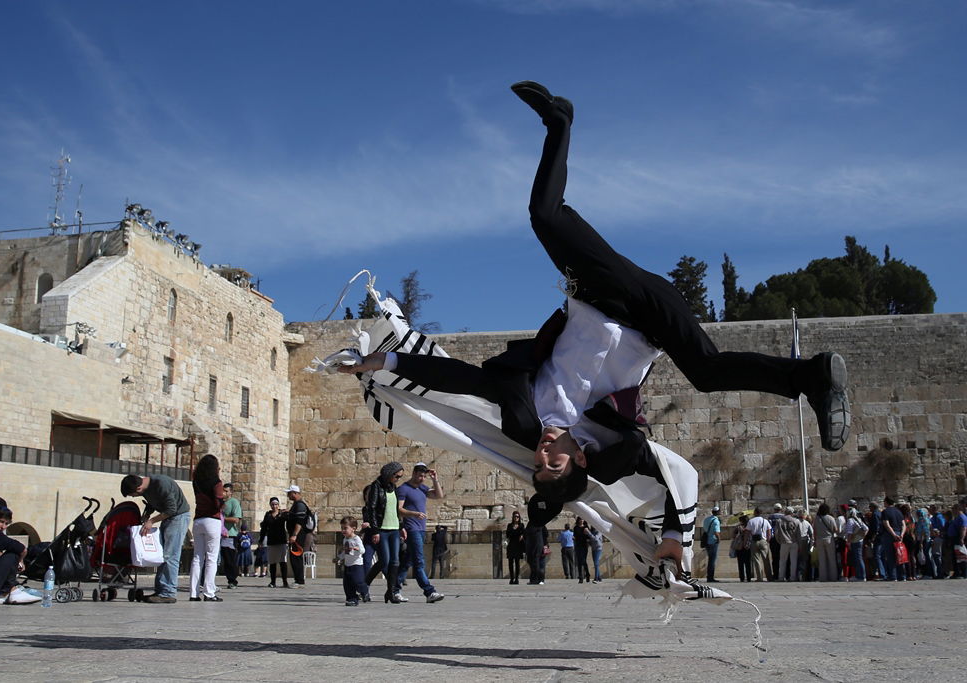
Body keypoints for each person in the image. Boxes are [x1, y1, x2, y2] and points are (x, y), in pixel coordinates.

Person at [341, 80, 851, 571]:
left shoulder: (523, 415)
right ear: (577, 463)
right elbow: (667, 477)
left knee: (544, 215)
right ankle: (813, 377)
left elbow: (461, 380)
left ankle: (558, 122)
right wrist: (673, 540)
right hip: (650, 316)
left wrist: (383, 361)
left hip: (603, 293)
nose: (542, 454)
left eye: (537, 464)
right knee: (708, 371)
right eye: (553, 464)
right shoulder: (614, 451)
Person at [120, 473, 191, 604]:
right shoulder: (146, 488)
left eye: (133, 495)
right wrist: (146, 514)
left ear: (138, 489)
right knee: (162, 555)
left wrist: (151, 521)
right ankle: (160, 591)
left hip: (178, 517)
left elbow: (171, 509)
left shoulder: (161, 484)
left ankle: (168, 592)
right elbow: (153, 503)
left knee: (170, 556)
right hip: (169, 518)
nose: (135, 497)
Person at [396, 463, 445, 603]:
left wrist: (435, 479)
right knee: (419, 561)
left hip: (421, 528)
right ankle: (429, 591)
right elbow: (399, 509)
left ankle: (394, 589)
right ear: (414, 473)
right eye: (420, 475)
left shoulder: (422, 488)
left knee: (408, 561)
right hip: (412, 529)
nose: (422, 478)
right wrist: (414, 513)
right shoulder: (403, 489)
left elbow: (438, 495)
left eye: (424, 476)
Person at [362, 462, 406, 603]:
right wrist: (375, 530)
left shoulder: (393, 487)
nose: (398, 479)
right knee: (384, 561)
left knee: (395, 561)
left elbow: (395, 510)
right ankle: (364, 585)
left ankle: (391, 592)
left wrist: (401, 527)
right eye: (397, 476)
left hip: (393, 528)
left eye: (400, 477)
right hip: (382, 529)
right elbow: (372, 508)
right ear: (389, 474)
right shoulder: (376, 486)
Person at [189, 454, 225, 602]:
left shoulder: (196, 481)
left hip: (198, 520)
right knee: (211, 557)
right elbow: (218, 503)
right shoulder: (216, 482)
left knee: (197, 558)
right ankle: (209, 592)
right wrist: (224, 503)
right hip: (212, 520)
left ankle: (193, 593)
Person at [337, 516, 369, 606]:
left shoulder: (356, 539)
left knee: (358, 581)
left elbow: (363, 550)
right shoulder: (345, 539)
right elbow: (345, 552)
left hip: (357, 565)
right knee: (347, 584)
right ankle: (352, 599)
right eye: (342, 528)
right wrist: (339, 557)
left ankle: (364, 591)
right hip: (348, 565)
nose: (343, 530)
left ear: (353, 529)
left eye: (345, 528)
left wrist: (356, 548)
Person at [259, 497, 290, 588]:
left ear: (278, 505)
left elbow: (289, 522)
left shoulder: (283, 514)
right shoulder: (268, 515)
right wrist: (261, 540)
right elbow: (264, 528)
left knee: (282, 562)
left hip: (281, 540)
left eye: (276, 504)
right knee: (272, 562)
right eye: (273, 504)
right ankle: (273, 581)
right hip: (271, 541)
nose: (274, 506)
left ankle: (285, 581)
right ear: (270, 505)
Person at [286, 485, 311, 587]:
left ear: (295, 493)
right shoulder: (297, 504)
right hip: (296, 535)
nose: (288, 495)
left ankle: (299, 581)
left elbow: (299, 521)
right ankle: (298, 579)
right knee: (294, 557)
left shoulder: (300, 505)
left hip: (298, 535)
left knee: (296, 557)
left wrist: (294, 535)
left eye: (289, 493)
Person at [220, 482, 242, 589]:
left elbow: (236, 519)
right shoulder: (219, 502)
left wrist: (222, 519)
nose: (223, 493)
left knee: (230, 559)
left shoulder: (234, 503)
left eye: (226, 491)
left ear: (231, 492)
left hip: (229, 535)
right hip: (218, 534)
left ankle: (232, 580)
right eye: (223, 490)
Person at [878, 497, 905, 581]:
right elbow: (903, 524)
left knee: (890, 556)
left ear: (886, 502)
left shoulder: (885, 512)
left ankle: (893, 576)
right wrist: (901, 535)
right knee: (900, 555)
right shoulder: (899, 512)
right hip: (899, 534)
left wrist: (893, 535)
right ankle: (902, 576)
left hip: (889, 535)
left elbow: (886, 524)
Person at [813, 503, 839, 582]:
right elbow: (835, 529)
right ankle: (833, 577)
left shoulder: (816, 518)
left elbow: (815, 530)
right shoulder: (830, 518)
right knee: (831, 559)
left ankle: (823, 577)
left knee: (822, 559)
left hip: (819, 540)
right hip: (829, 539)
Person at [746, 508, 772, 582]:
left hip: (754, 541)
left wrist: (746, 542)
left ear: (755, 512)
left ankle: (759, 578)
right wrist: (767, 541)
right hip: (763, 541)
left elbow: (747, 532)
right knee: (766, 560)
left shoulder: (751, 521)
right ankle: (769, 577)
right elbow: (769, 532)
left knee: (757, 560)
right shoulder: (765, 521)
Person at [776, 507, 801, 582]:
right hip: (794, 542)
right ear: (792, 513)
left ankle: (781, 577)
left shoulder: (779, 521)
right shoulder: (796, 521)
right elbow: (799, 534)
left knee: (782, 561)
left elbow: (776, 533)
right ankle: (793, 577)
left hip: (784, 542)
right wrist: (799, 543)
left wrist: (779, 541)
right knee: (793, 561)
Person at [843, 508, 869, 581]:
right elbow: (866, 529)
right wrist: (862, 537)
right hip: (860, 540)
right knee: (859, 558)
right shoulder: (858, 520)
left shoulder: (850, 521)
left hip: (854, 541)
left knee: (857, 559)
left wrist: (848, 542)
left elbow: (849, 533)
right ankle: (860, 576)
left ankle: (860, 576)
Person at [524, 514, 549, 585]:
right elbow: (526, 534)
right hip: (532, 547)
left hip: (538, 547)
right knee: (533, 563)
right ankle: (534, 579)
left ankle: (539, 579)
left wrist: (545, 544)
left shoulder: (540, 524)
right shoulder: (531, 524)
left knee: (539, 564)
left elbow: (545, 534)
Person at [701, 507, 722, 582]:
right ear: (718, 512)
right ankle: (710, 577)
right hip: (713, 542)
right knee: (712, 560)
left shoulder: (706, 519)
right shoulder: (716, 521)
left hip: (706, 541)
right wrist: (719, 540)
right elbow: (716, 532)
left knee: (710, 559)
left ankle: (709, 576)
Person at [505, 514, 526, 584]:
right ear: (513, 517)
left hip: (518, 546)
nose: (516, 518)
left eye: (517, 516)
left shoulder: (521, 525)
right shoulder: (509, 525)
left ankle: (516, 579)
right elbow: (507, 534)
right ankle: (511, 578)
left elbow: (524, 533)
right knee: (510, 562)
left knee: (517, 562)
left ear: (519, 518)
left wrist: (522, 535)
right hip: (511, 545)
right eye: (515, 516)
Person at [731, 515, 753, 582]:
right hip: (747, 546)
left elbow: (733, 536)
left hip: (739, 546)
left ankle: (742, 577)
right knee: (748, 563)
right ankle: (749, 577)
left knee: (740, 563)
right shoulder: (750, 527)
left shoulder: (738, 527)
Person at [572, 517, 591, 583]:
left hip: (584, 546)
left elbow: (589, 537)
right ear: (578, 520)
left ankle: (587, 574)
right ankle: (581, 577)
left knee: (583, 560)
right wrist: (573, 538)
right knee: (579, 562)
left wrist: (587, 534)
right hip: (578, 546)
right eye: (580, 519)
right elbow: (574, 535)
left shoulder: (586, 527)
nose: (581, 520)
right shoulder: (575, 527)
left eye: (582, 519)